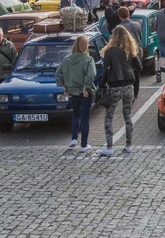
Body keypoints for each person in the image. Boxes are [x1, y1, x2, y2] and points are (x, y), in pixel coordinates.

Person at [98, 26, 142, 156]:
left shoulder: (110, 52)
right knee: (127, 116)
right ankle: (128, 145)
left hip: (114, 86)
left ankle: (110, 146)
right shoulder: (130, 50)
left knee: (109, 117)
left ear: (114, 37)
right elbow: (139, 68)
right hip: (129, 86)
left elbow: (105, 72)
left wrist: (101, 87)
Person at [55, 35, 97, 152]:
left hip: (72, 92)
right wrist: (85, 88)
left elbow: (58, 74)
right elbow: (91, 74)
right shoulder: (88, 59)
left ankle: (73, 138)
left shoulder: (66, 59)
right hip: (85, 93)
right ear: (85, 46)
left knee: (76, 115)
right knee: (85, 118)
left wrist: (64, 88)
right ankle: (84, 145)